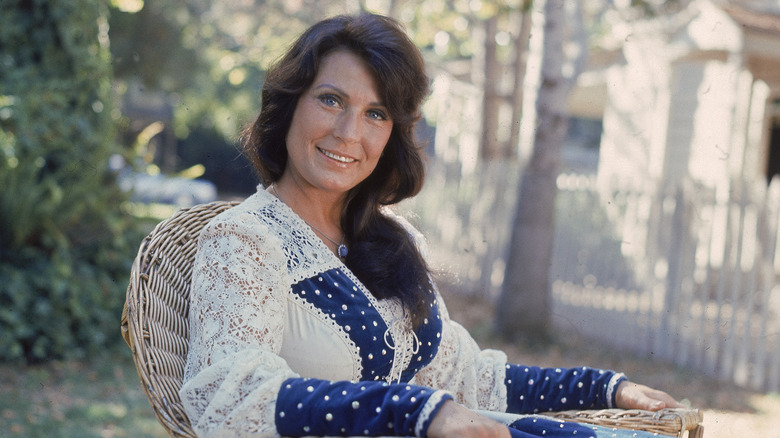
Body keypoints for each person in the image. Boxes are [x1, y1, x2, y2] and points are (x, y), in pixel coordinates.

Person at [180, 13, 683, 438]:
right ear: (289, 104)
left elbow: (470, 379)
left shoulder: (390, 242)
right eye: (331, 100)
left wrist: (603, 388)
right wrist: (416, 412)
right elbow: (230, 394)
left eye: (375, 113)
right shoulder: (245, 240)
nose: (348, 133)